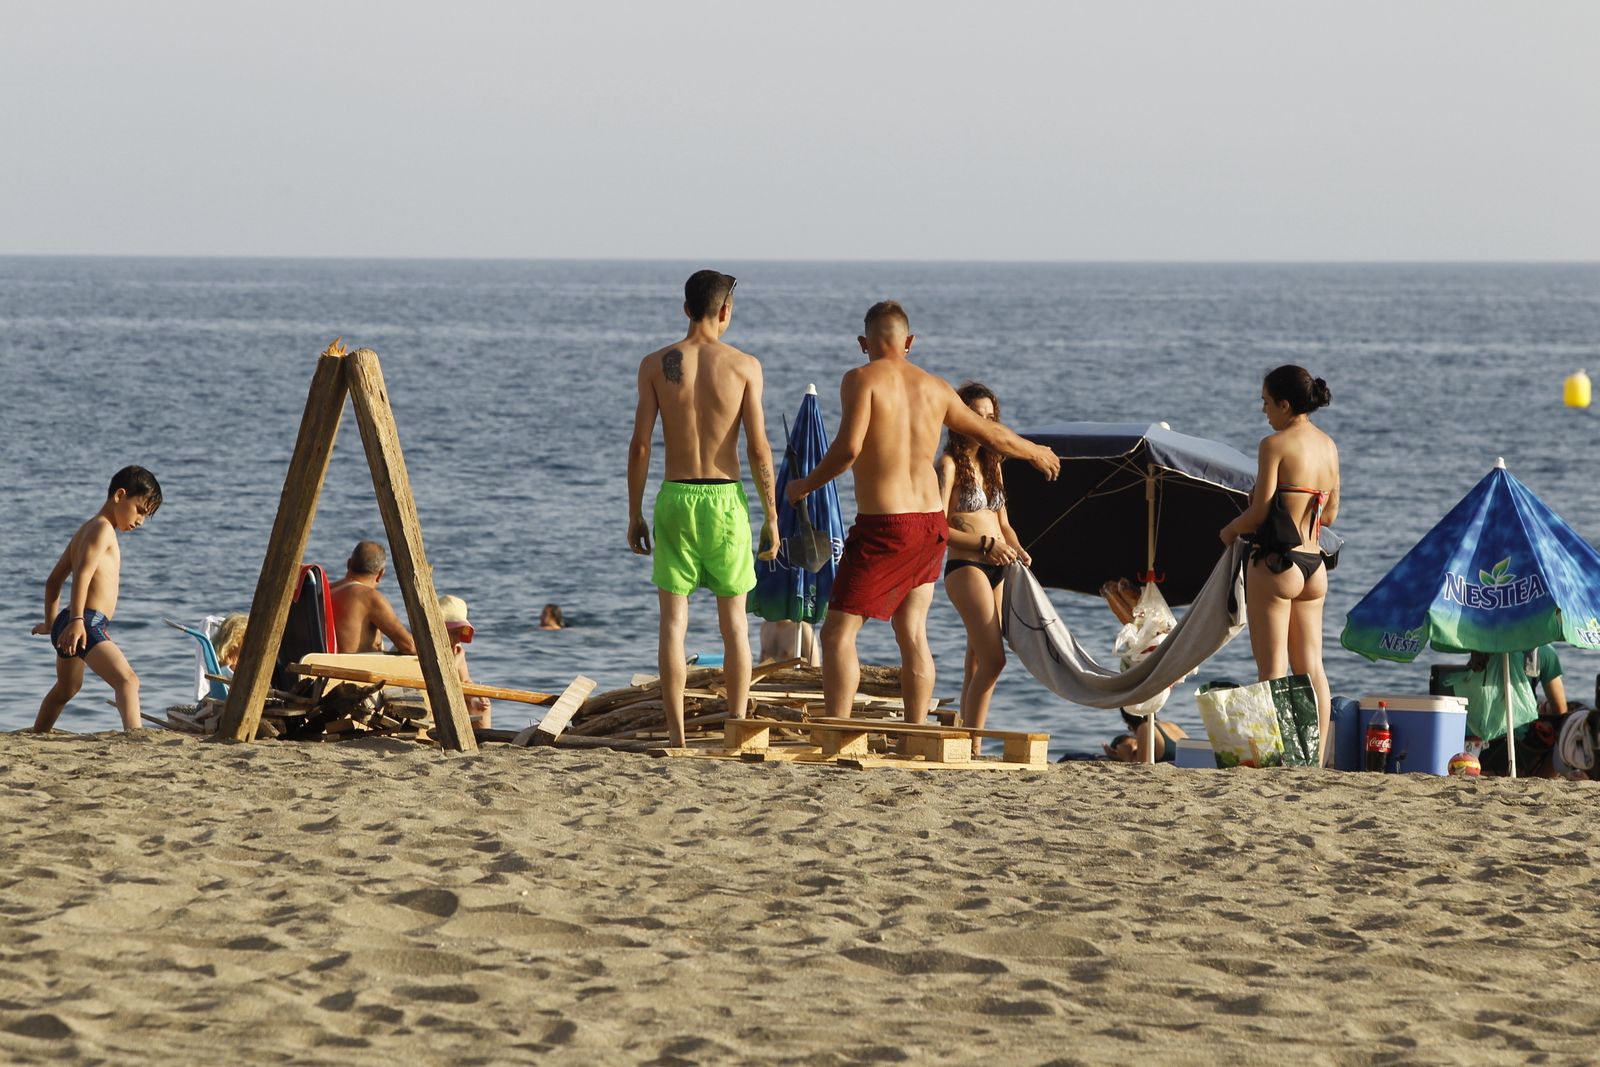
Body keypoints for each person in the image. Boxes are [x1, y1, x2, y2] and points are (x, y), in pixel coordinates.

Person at [785, 301, 1060, 724]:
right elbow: (992, 434)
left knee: (839, 631)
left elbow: (848, 450)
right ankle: (914, 731)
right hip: (930, 526)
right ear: (909, 342)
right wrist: (1036, 451)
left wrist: (805, 484)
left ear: (864, 343)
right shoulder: (937, 388)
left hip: (886, 526)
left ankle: (837, 729)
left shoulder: (861, 379)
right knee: (912, 633)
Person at [628, 269, 779, 747]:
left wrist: (634, 512)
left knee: (674, 622)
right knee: (733, 621)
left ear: (686, 308)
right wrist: (772, 516)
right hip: (724, 498)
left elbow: (640, 447)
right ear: (725, 311)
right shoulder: (744, 366)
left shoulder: (655, 364)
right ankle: (735, 727)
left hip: (674, 495)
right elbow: (759, 449)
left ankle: (677, 737)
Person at [1220, 365, 1339, 765]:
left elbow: (1257, 514)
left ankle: (1277, 759)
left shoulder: (1274, 445)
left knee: (1272, 667)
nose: (1264, 411)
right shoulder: (1328, 446)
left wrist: (1228, 530)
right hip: (1314, 565)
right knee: (1313, 668)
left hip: (1275, 564)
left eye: (1267, 402)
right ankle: (1318, 759)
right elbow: (1332, 514)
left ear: (1285, 405)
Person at [31, 465, 164, 732]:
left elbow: (52, 581)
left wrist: (51, 623)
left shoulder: (86, 529)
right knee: (127, 681)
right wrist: (78, 620)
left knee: (66, 689)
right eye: (139, 510)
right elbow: (82, 575)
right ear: (119, 496)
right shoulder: (103, 530)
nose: (140, 521)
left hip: (70, 620)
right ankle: (135, 737)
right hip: (86, 622)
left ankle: (38, 734)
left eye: (146, 516)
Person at [937, 382, 1031, 753]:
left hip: (1000, 566)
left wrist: (1017, 548)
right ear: (959, 419)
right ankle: (971, 742)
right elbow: (936, 529)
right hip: (966, 567)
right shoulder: (946, 466)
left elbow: (1003, 522)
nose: (984, 423)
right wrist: (985, 544)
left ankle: (970, 744)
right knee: (995, 659)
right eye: (976, 416)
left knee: (977, 660)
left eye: (991, 417)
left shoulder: (993, 465)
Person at [1448, 646, 1567, 777]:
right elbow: (1560, 710)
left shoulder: (1478, 639)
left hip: (1471, 737)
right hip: (1518, 744)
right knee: (1564, 732)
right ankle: (1542, 780)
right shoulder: (1543, 651)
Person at [329, 540, 416, 655]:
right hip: (353, 669)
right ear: (380, 574)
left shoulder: (326, 590)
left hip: (321, 663)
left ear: (349, 564)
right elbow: (408, 646)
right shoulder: (370, 598)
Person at [439, 595, 492, 728]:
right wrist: (456, 662)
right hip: (435, 695)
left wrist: (475, 699)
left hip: (451, 694)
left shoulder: (456, 649)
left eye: (460, 633)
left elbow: (465, 681)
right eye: (453, 633)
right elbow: (439, 679)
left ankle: (482, 743)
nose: (457, 639)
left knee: (482, 706)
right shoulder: (425, 646)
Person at [1103, 708, 1189, 763]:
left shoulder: (1145, 727)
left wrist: (1126, 757)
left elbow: (1142, 768)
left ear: (1127, 722)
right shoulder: (1171, 725)